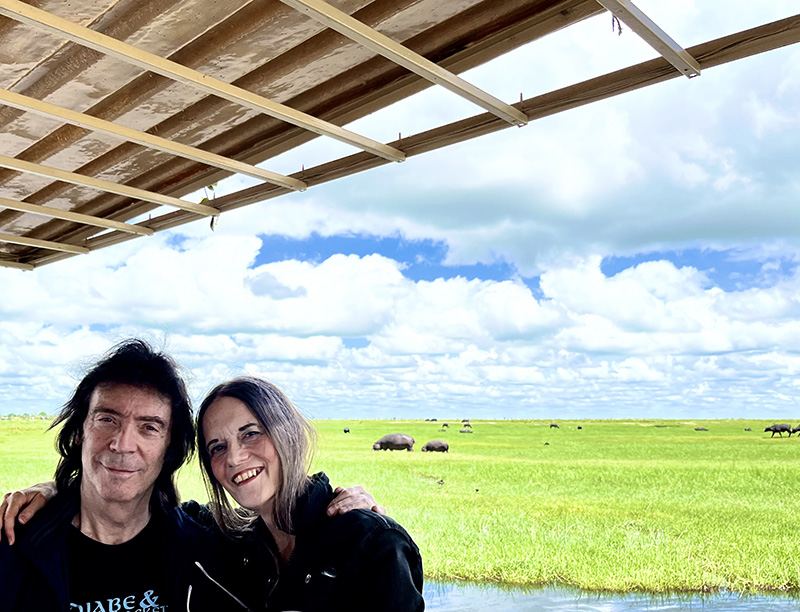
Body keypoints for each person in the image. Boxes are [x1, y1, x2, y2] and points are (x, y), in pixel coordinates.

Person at [0, 339, 380, 612]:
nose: (122, 444)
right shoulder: (15, 542)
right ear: (80, 431)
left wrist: (359, 523)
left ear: (170, 450)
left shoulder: (207, 547)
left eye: (149, 427)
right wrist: (52, 491)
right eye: (107, 419)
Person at [192, 376, 425, 611]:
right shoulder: (235, 542)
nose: (234, 458)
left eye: (251, 434)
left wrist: (369, 524)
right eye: (218, 447)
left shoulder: (371, 543)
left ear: (288, 433)